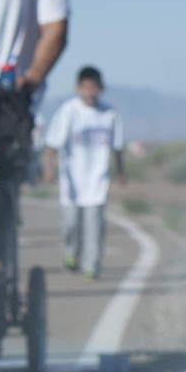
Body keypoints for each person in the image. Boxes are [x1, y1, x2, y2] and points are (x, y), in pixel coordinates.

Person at [41, 66, 125, 279]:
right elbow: (51, 145)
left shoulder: (110, 114)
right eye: (85, 88)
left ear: (101, 89)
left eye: (94, 88)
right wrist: (49, 170)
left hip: (97, 182)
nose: (90, 92)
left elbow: (117, 147)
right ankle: (71, 253)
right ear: (78, 88)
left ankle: (91, 266)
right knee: (71, 225)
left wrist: (121, 172)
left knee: (95, 228)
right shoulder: (69, 111)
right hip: (72, 183)